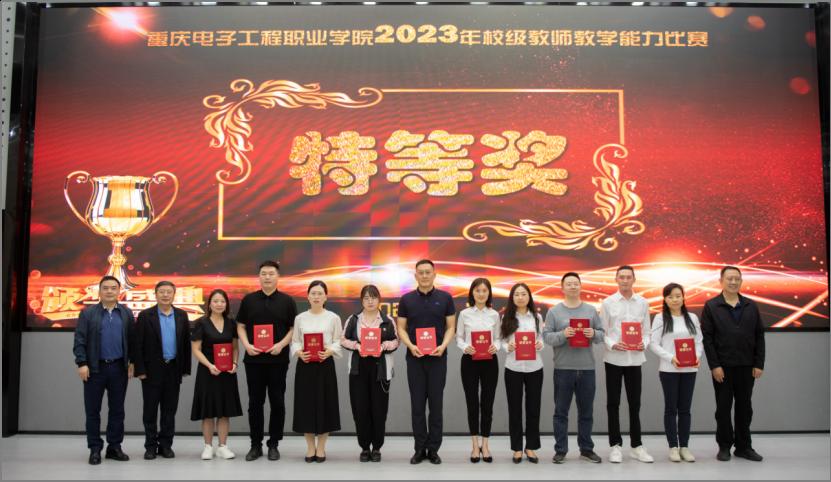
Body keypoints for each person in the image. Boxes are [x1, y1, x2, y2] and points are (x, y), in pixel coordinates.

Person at [701, 266, 766, 462]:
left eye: (737, 278)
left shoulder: (751, 305)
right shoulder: (712, 306)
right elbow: (707, 339)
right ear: (721, 281)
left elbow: (759, 336)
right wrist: (714, 366)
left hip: (747, 366)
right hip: (723, 367)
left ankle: (744, 446)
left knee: (745, 408)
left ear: (741, 281)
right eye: (729, 278)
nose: (733, 282)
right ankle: (724, 446)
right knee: (723, 409)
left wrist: (759, 363)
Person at [236, 260, 298, 461]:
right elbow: (240, 326)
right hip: (253, 360)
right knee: (255, 403)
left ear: (278, 276)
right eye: (264, 273)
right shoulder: (249, 300)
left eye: (271, 273)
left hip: (278, 360)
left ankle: (274, 444)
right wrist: (247, 345)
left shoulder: (287, 301)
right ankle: (255, 445)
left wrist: (281, 344)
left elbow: (293, 329)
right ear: (259, 276)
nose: (267, 277)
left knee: (277, 402)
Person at [396, 259, 456, 465]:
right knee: (418, 406)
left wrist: (443, 346)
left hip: (438, 358)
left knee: (436, 407)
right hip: (415, 359)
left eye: (428, 272)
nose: (424, 275)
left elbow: (451, 327)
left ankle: (434, 449)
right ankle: (420, 449)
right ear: (415, 276)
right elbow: (401, 328)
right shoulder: (406, 300)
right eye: (420, 272)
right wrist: (411, 346)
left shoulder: (445, 298)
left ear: (434, 274)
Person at [542, 272, 604, 464]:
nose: (572, 286)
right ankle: (561, 450)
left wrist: (593, 333)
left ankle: (586, 449)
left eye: (576, 283)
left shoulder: (591, 310)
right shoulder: (554, 312)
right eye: (568, 284)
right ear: (562, 288)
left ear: (580, 286)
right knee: (561, 412)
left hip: (587, 368)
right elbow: (547, 337)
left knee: (586, 413)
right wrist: (563, 334)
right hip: (563, 369)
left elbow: (602, 335)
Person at [72, 275, 135, 465]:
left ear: (119, 291)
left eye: (113, 288)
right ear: (99, 291)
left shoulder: (126, 313)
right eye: (105, 288)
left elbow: (132, 340)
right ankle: (95, 448)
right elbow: (79, 340)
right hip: (94, 369)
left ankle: (114, 447)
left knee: (117, 410)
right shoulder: (88, 313)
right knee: (93, 411)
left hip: (118, 368)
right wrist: (82, 363)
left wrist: (132, 362)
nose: (109, 291)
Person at [599, 265, 654, 463]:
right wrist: (613, 344)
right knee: (613, 403)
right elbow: (602, 332)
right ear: (616, 279)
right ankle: (615, 446)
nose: (625, 280)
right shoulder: (608, 303)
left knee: (635, 404)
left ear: (634, 279)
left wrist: (644, 344)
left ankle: (636, 446)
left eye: (628, 277)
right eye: (621, 277)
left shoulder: (643, 303)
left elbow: (647, 331)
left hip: (635, 359)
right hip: (614, 359)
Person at [133, 280, 192, 460]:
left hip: (173, 368)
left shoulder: (181, 315)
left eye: (169, 292)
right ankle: (150, 446)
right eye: (162, 292)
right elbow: (138, 344)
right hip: (151, 370)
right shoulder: (145, 315)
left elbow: (185, 344)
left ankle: (166, 445)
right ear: (155, 294)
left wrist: (185, 368)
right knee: (150, 411)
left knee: (169, 411)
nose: (165, 295)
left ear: (174, 295)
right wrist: (140, 369)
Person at [341, 285, 400, 462]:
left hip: (380, 369)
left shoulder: (387, 320)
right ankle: (365, 447)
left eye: (373, 297)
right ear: (361, 301)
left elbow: (396, 341)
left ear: (379, 300)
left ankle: (377, 447)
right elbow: (343, 339)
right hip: (358, 369)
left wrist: (382, 346)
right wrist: (357, 346)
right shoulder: (353, 319)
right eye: (366, 298)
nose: (370, 301)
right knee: (360, 409)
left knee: (379, 410)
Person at [649, 283, 703, 463]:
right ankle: (673, 447)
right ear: (665, 299)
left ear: (683, 297)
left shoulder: (692, 318)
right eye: (670, 296)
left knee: (685, 409)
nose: (675, 299)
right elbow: (653, 343)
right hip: (669, 370)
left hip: (690, 369)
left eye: (678, 296)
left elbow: (699, 341)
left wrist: (697, 356)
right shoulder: (660, 318)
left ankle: (684, 447)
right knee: (671, 409)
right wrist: (670, 357)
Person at [291, 280, 342, 463]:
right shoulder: (300, 318)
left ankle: (321, 447)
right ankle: (310, 447)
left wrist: (330, 351)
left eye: (320, 293)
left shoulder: (333, 318)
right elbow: (295, 341)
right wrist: (299, 352)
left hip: (325, 365)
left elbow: (338, 340)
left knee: (325, 405)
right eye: (313, 293)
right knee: (305, 406)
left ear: (326, 297)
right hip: (305, 365)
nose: (316, 296)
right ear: (308, 296)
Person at [190, 289, 243, 460]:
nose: (219, 304)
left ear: (226, 304)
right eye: (215, 301)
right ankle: (207, 447)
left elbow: (235, 348)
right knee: (207, 411)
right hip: (208, 372)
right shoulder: (201, 323)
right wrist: (209, 365)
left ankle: (222, 446)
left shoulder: (231, 323)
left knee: (224, 411)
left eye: (222, 301)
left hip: (227, 373)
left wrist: (235, 363)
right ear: (209, 304)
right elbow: (196, 349)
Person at [499, 283, 545, 464]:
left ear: (529, 297)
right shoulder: (507, 317)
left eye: (523, 294)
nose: (520, 297)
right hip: (513, 367)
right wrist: (508, 347)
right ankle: (517, 448)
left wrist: (540, 344)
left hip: (535, 367)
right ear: (512, 297)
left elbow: (541, 338)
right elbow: (501, 341)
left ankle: (531, 447)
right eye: (517, 294)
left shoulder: (537, 317)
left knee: (534, 408)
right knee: (515, 409)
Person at [456, 278, 500, 463]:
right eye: (477, 290)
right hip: (469, 361)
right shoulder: (464, 314)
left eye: (484, 291)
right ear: (472, 293)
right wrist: (465, 346)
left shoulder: (494, 315)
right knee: (472, 403)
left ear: (489, 293)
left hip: (490, 361)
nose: (481, 294)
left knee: (487, 404)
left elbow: (498, 338)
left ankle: (486, 444)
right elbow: (459, 337)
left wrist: (496, 346)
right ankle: (475, 445)